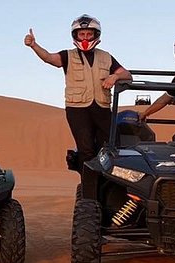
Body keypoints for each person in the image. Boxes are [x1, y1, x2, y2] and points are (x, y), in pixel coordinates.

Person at [25, 15, 131, 171]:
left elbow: (127, 75)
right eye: (82, 34)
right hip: (77, 110)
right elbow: (49, 58)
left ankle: (106, 186)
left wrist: (115, 76)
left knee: (108, 149)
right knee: (86, 150)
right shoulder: (68, 55)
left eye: (89, 34)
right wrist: (34, 46)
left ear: (96, 35)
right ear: (75, 35)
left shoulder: (106, 57)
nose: (85, 38)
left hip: (102, 108)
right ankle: (89, 189)